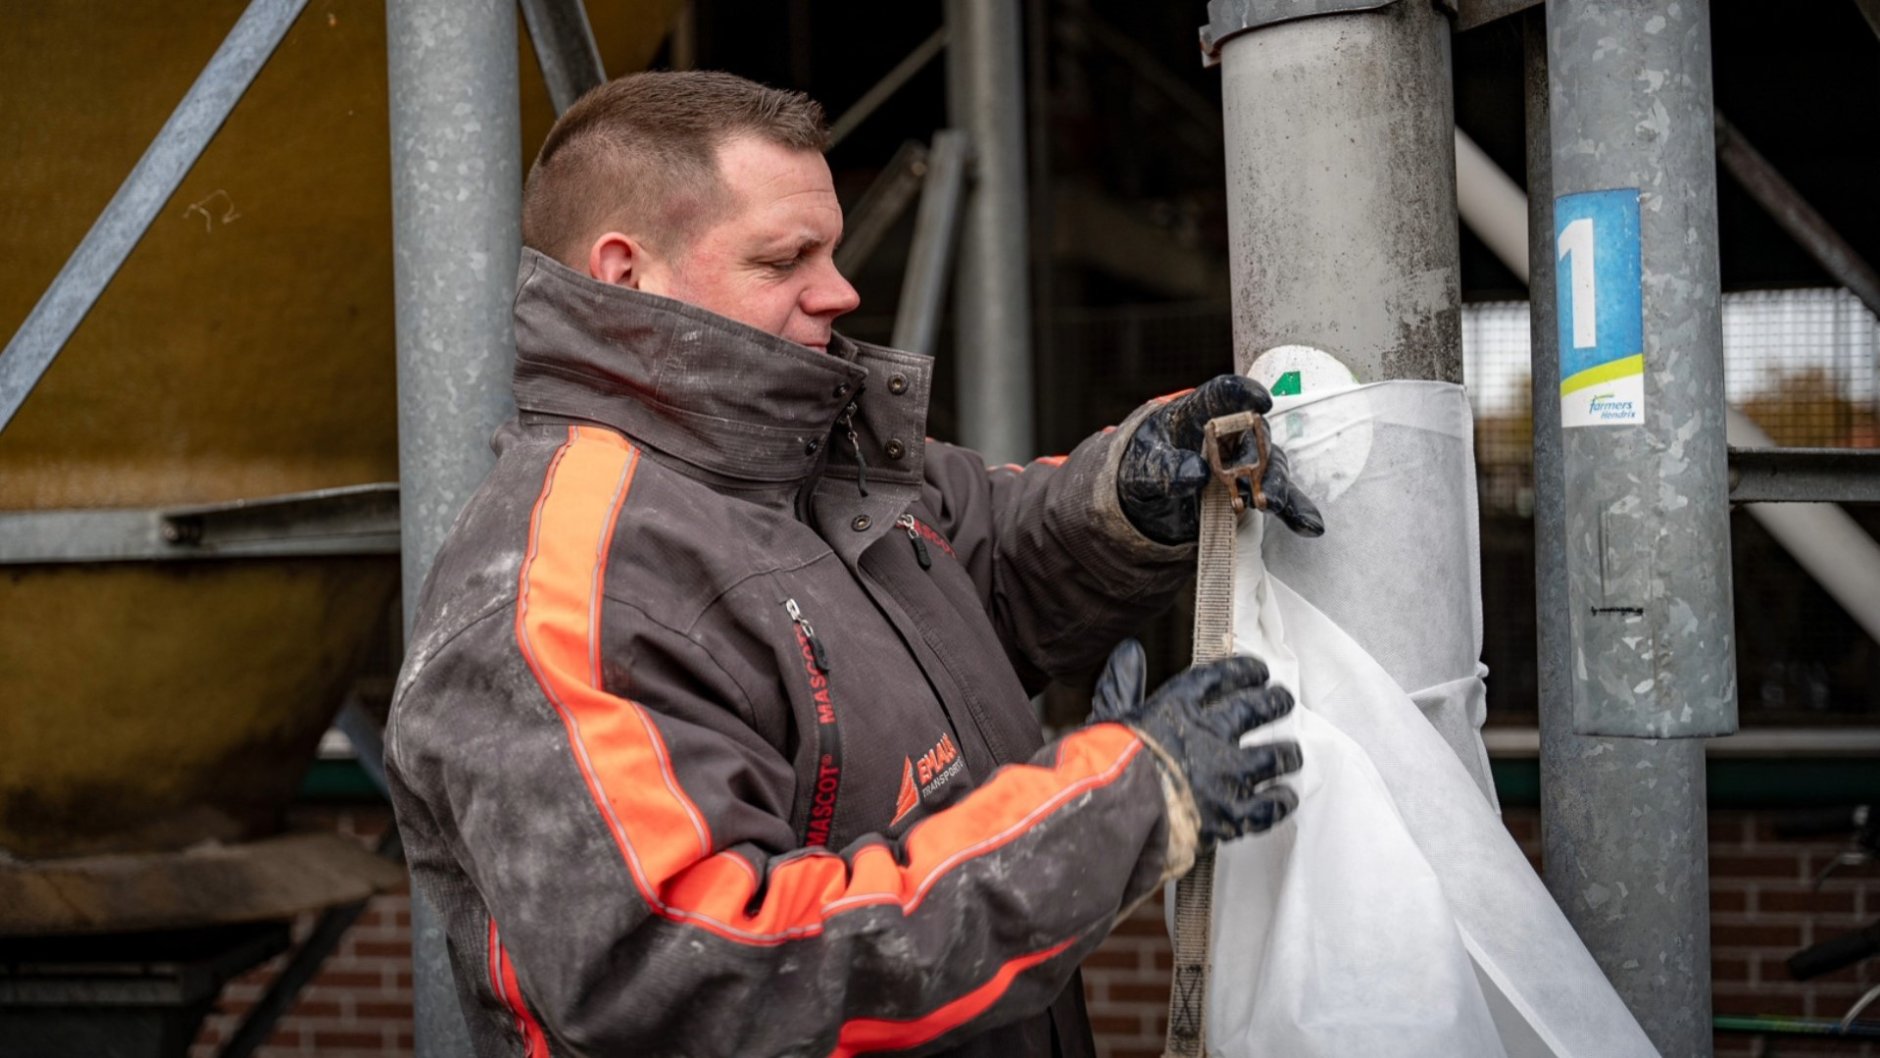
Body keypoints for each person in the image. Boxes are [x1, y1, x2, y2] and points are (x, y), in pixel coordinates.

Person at [386, 70, 1323, 1058]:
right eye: (785, 257)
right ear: (625, 274)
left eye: (828, 248)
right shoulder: (562, 586)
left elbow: (990, 553)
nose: (839, 289)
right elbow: (690, 968)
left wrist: (1127, 492)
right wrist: (1117, 805)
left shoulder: (818, 457)